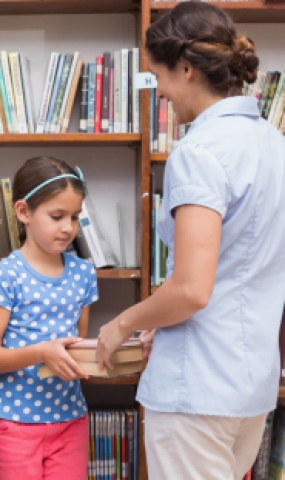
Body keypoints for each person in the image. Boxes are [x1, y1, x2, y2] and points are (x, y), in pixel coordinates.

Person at [96, 3, 285, 479]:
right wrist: (162, 320)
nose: (158, 91)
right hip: (251, 387)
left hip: (196, 389)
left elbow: (191, 290)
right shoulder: (274, 144)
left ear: (185, 68)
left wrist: (122, 323)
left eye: (159, 76)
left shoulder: (199, 151)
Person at [0, 156, 98, 479]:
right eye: (57, 216)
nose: (68, 227)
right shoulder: (5, 276)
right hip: (13, 424)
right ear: (23, 212)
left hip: (70, 420)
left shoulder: (84, 274)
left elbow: (78, 348)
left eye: (75, 217)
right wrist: (42, 353)